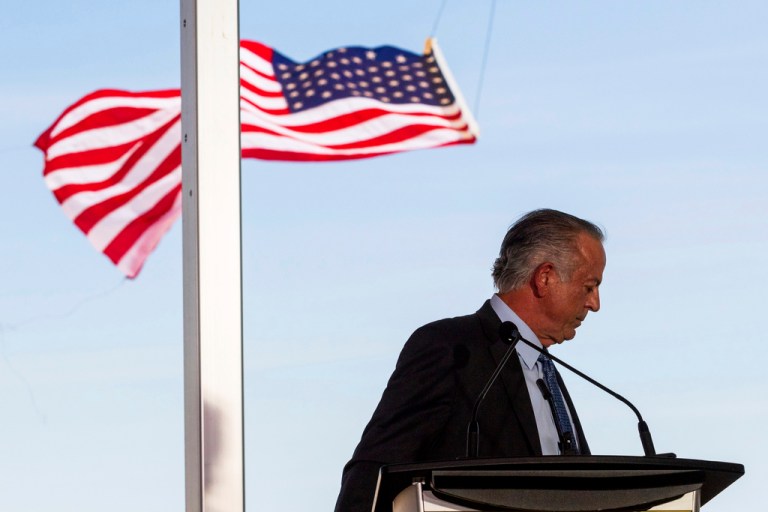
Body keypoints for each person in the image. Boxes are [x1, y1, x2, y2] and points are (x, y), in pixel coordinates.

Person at [334, 209, 606, 512]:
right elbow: (374, 468)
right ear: (545, 278)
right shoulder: (450, 348)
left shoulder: (548, 372)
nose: (594, 303)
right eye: (589, 286)